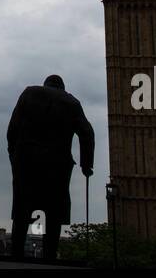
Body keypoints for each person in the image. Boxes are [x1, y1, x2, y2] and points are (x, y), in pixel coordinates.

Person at [6, 75, 95, 261]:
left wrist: (13, 154)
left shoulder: (29, 93)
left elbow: (12, 128)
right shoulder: (72, 102)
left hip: (26, 160)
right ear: (62, 87)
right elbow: (87, 133)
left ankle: (16, 254)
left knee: (22, 207)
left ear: (45, 84)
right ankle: (49, 255)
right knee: (54, 211)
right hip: (57, 164)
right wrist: (86, 165)